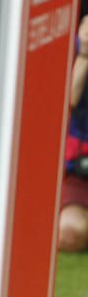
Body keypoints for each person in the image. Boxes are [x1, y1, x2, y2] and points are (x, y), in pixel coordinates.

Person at [60, 13, 88, 252]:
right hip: (81, 166)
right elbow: (63, 106)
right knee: (69, 232)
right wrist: (84, 56)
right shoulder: (80, 35)